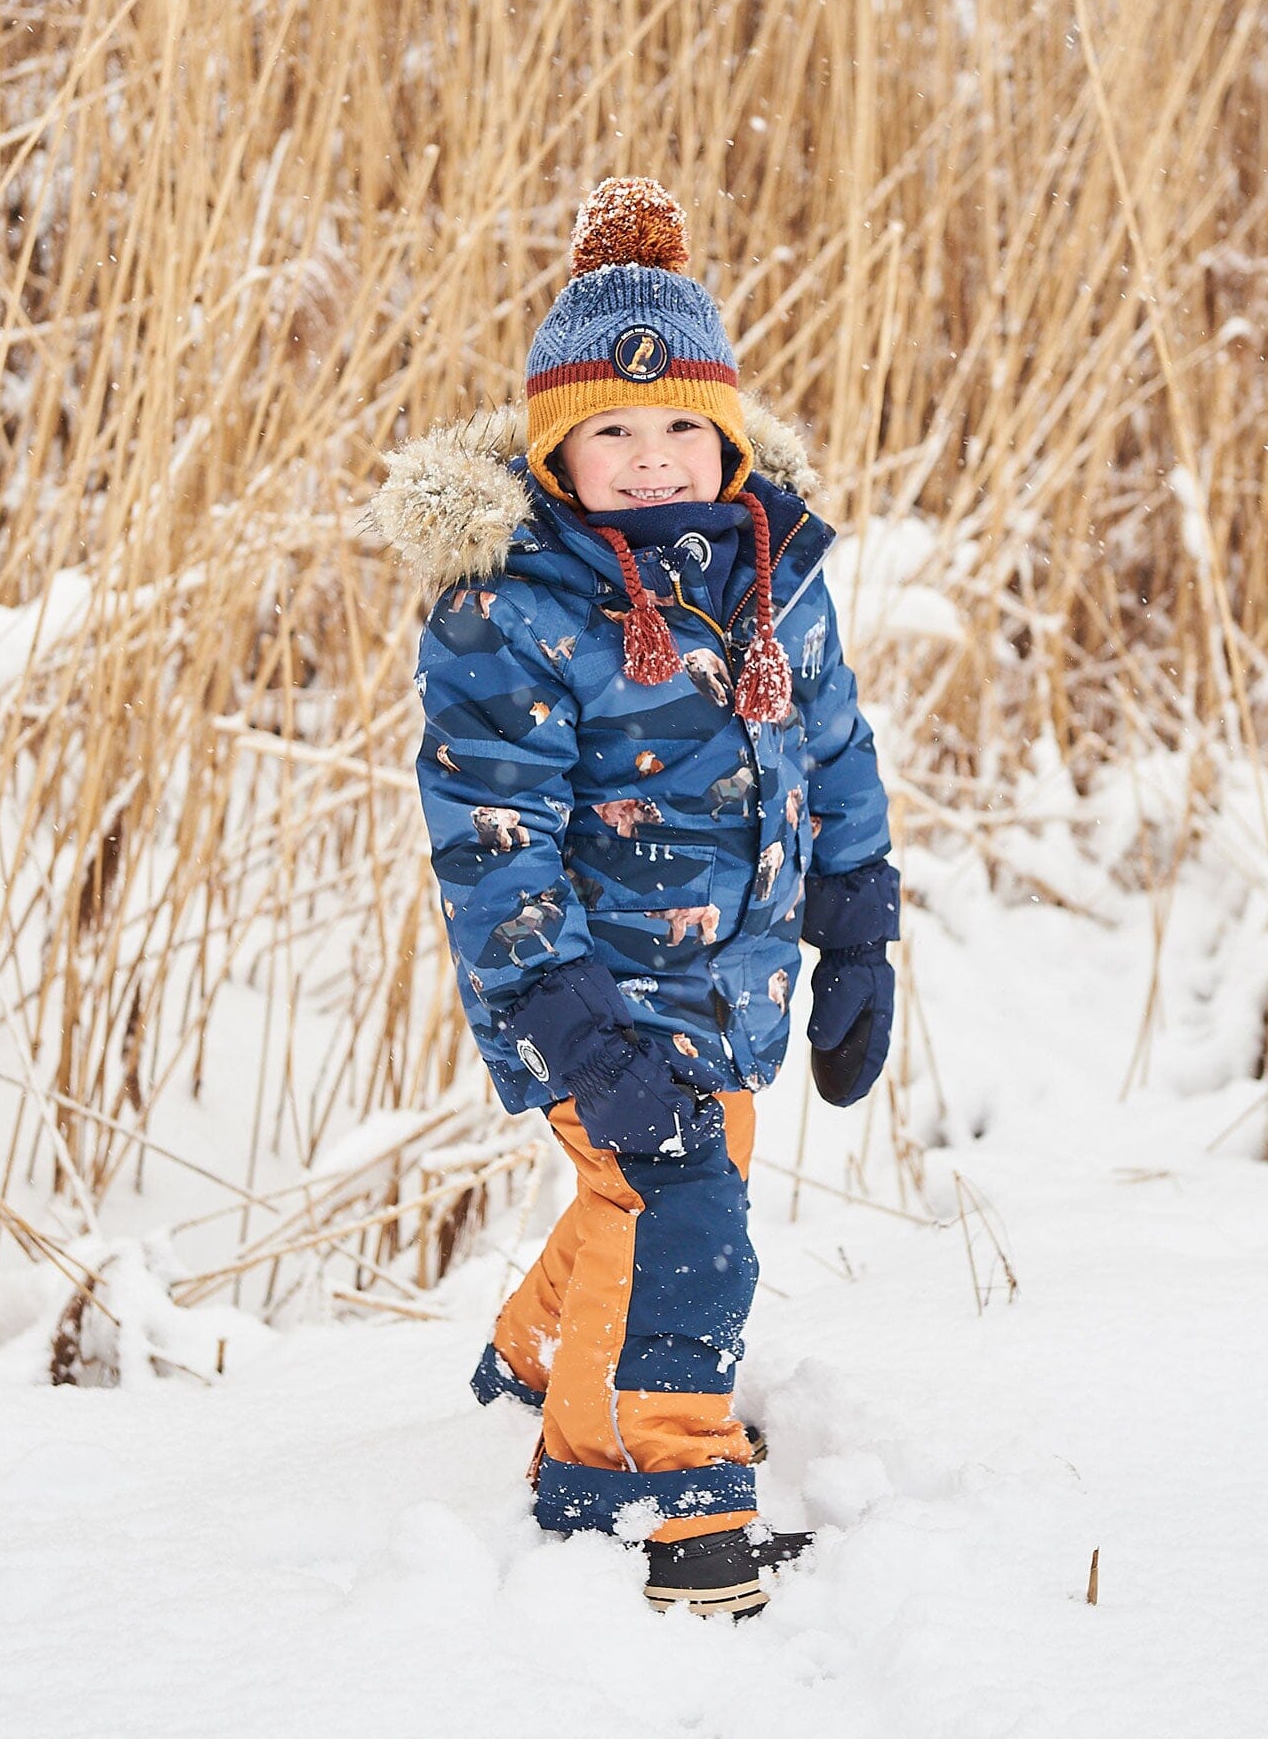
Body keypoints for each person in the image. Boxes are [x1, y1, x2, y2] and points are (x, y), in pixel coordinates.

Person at [370, 178, 900, 1617]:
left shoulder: (774, 576)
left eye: (681, 428)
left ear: (724, 433)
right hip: (584, 984)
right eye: (611, 430)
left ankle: (539, 1352)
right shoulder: (510, 611)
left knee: (640, 1184)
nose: (652, 457)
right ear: (557, 449)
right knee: (681, 1207)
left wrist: (858, 918)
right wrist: (572, 1023)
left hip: (733, 974)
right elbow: (491, 840)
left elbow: (834, 747)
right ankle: (649, 1481)